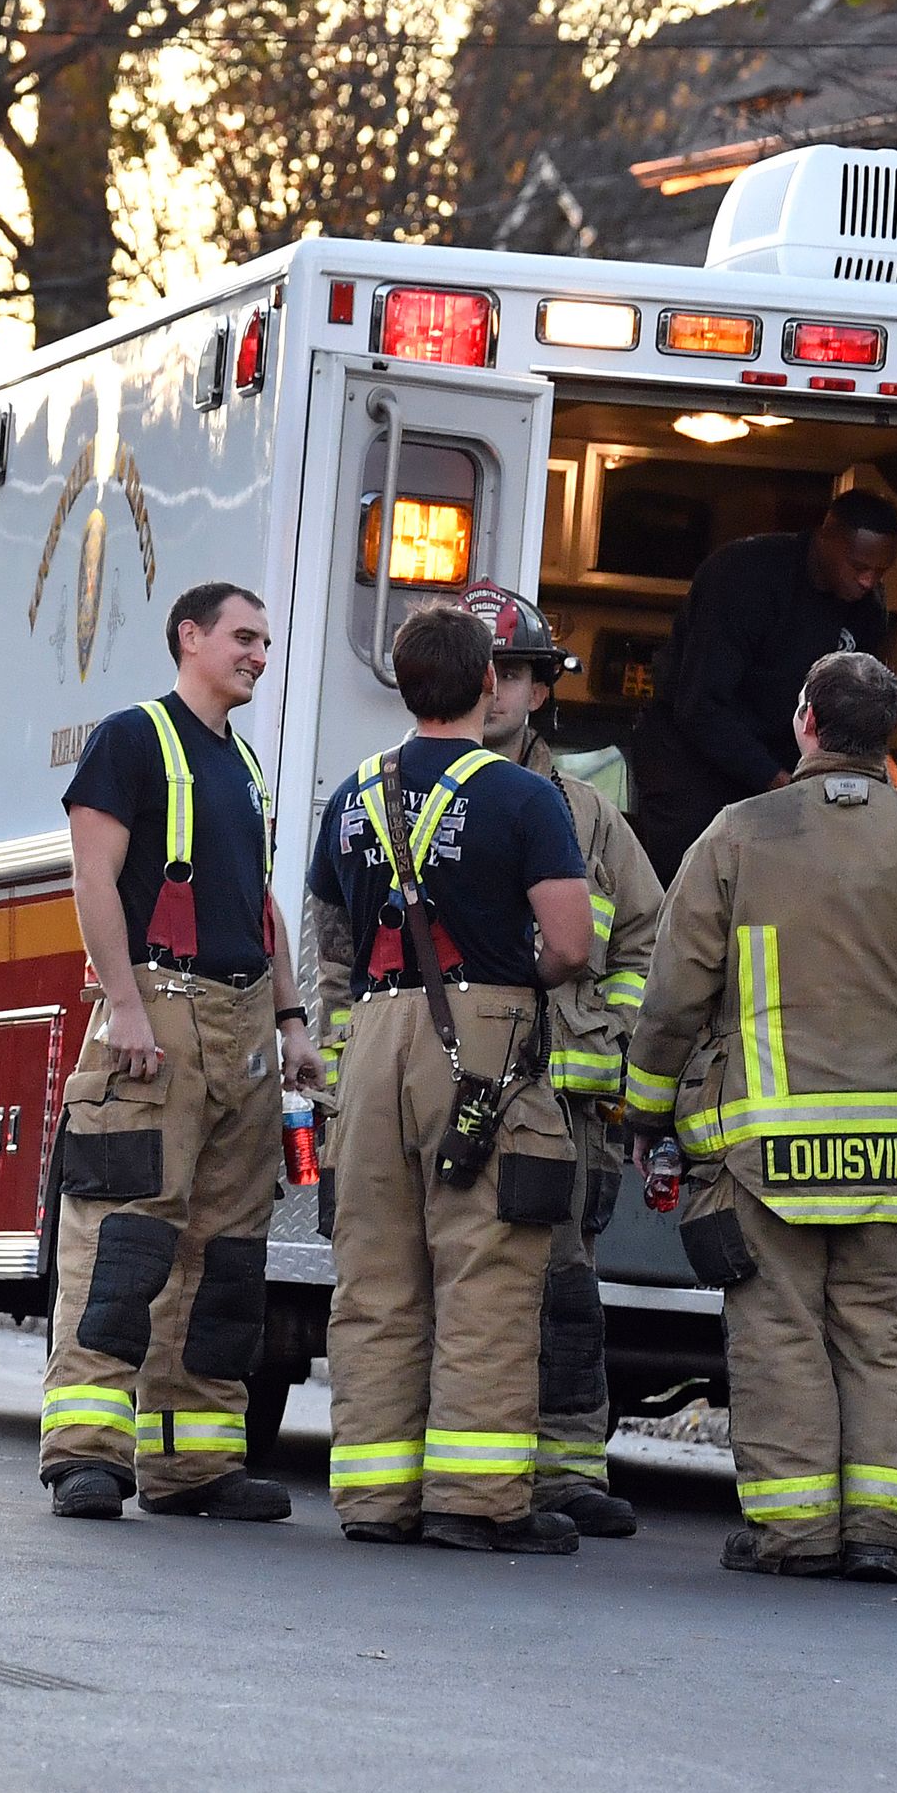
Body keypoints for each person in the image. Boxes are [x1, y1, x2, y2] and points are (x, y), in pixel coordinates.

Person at [622, 651, 897, 1583]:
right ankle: (882, 1532)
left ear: (805, 720)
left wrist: (647, 1110)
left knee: (780, 1333)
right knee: (883, 1336)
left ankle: (795, 1533)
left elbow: (675, 996)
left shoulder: (735, 836)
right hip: (892, 1153)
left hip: (767, 1155)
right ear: (889, 735)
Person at [305, 600, 598, 1553]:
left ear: (402, 682)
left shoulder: (352, 793)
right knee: (486, 1268)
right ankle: (471, 1501)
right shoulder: (524, 797)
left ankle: (374, 1499)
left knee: (376, 1275)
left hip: (374, 1035)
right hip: (482, 1037)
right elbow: (570, 943)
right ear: (486, 685)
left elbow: (330, 937)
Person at [36, 581, 320, 1521]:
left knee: (225, 1257)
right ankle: (86, 1454)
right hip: (157, 1009)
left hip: (240, 1025)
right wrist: (123, 1004)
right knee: (124, 1242)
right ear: (188, 637)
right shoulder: (132, 739)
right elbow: (94, 878)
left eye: (267, 643)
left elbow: (260, 910)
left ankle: (193, 1464)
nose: (259, 655)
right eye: (243, 637)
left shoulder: (240, 762)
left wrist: (289, 1021)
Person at [467, 584, 661, 1537]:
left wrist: (609, 1042)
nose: (495, 689)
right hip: (448, 1093)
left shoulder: (588, 818)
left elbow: (648, 944)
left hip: (565, 1101)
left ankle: (567, 1468)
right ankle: (461, 1466)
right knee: (455, 1286)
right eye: (480, 669)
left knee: (566, 1296)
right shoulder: (396, 791)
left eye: (512, 673)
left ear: (540, 690)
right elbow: (339, 944)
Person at [625, 491, 897, 880]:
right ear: (826, 537)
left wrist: (890, 775)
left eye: (879, 572)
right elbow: (699, 704)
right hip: (691, 760)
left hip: (789, 762)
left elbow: (857, 711)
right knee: (692, 882)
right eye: (858, 566)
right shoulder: (744, 577)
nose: (867, 580)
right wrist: (779, 781)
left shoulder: (866, 609)